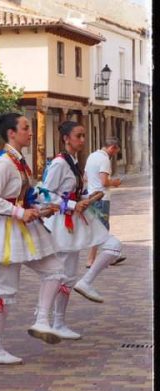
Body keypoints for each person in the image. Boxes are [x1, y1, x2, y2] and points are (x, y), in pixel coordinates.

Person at [0, 113, 65, 365]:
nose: (30, 132)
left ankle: (42, 319)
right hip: (5, 229)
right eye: (25, 128)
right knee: (3, 290)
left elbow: (24, 195)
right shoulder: (4, 163)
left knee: (55, 269)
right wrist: (20, 212)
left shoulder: (18, 162)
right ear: (11, 133)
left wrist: (43, 207)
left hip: (22, 228)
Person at [40, 121, 122, 340]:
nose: (83, 140)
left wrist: (86, 198)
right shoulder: (59, 163)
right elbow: (44, 194)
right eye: (79, 136)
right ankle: (54, 321)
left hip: (76, 219)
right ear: (66, 138)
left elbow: (72, 192)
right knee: (64, 275)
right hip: (63, 223)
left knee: (112, 246)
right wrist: (72, 205)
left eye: (84, 136)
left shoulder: (74, 161)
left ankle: (84, 284)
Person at [84, 137, 125, 268]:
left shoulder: (92, 156)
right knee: (102, 228)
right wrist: (115, 182)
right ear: (112, 147)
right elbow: (104, 182)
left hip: (91, 196)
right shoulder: (104, 159)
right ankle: (94, 259)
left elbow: (85, 177)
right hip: (102, 197)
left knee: (98, 228)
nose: (114, 155)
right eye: (115, 151)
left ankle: (108, 256)